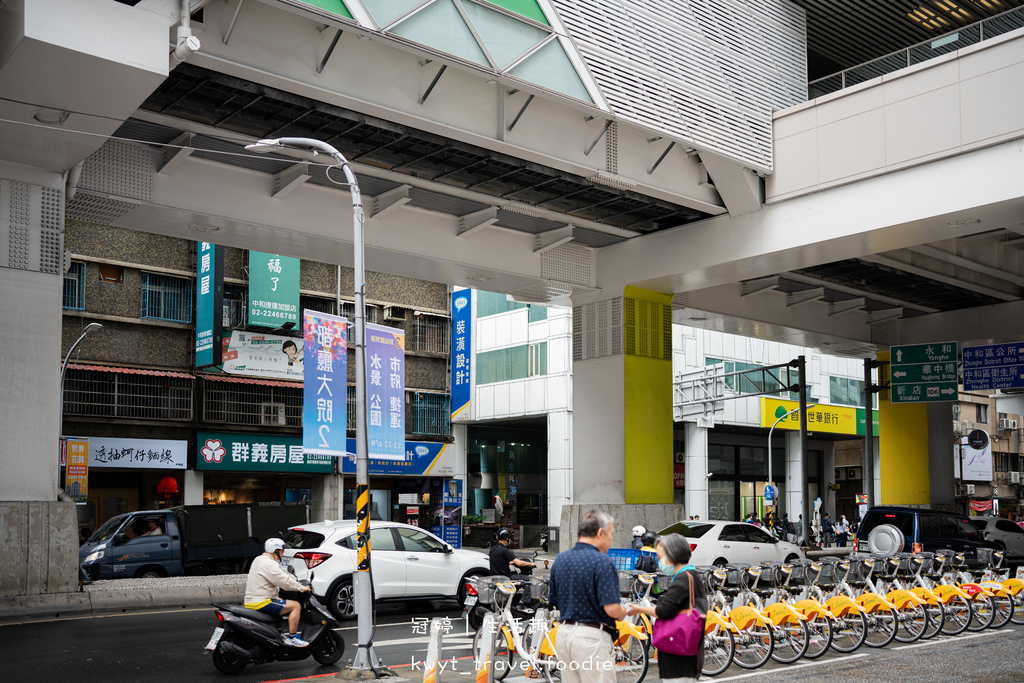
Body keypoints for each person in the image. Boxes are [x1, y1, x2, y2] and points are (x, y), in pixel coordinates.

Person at [548, 509, 626, 683]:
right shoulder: (602, 561)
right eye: (611, 534)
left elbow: (554, 602)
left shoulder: (560, 560)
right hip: (591, 638)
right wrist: (623, 612)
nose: (611, 540)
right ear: (600, 533)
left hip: (564, 635)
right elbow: (612, 608)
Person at [626, 534, 706, 683]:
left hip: (679, 654)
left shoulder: (683, 579)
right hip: (690, 651)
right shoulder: (693, 575)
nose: (658, 560)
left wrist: (639, 609)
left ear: (672, 554)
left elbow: (663, 611)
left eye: (659, 556)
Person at [244, 538, 311, 647]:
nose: (283, 553)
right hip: (260, 602)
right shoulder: (270, 564)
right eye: (282, 551)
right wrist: (302, 588)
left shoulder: (258, 559)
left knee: (281, 602)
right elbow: (285, 582)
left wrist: (275, 597)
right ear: (276, 551)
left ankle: (278, 633)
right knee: (295, 606)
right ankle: (293, 638)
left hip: (254, 599)